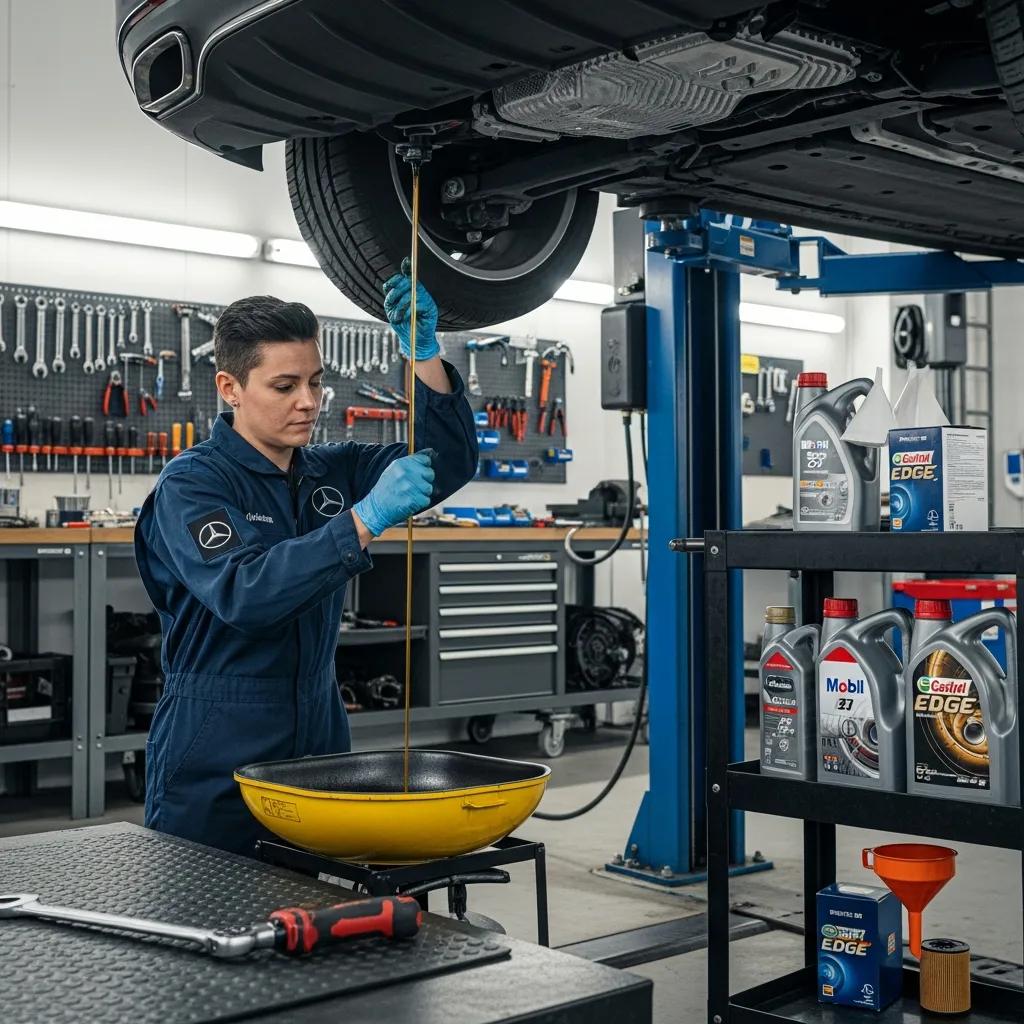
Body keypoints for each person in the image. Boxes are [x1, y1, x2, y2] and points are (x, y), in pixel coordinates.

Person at [134, 271, 478, 855]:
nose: (309, 402)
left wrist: (425, 357)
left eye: (316, 383)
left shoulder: (329, 468)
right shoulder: (193, 484)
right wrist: (364, 519)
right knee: (200, 913)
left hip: (318, 724)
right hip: (217, 736)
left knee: (310, 911)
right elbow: (247, 593)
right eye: (285, 385)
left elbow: (445, 464)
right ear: (230, 387)